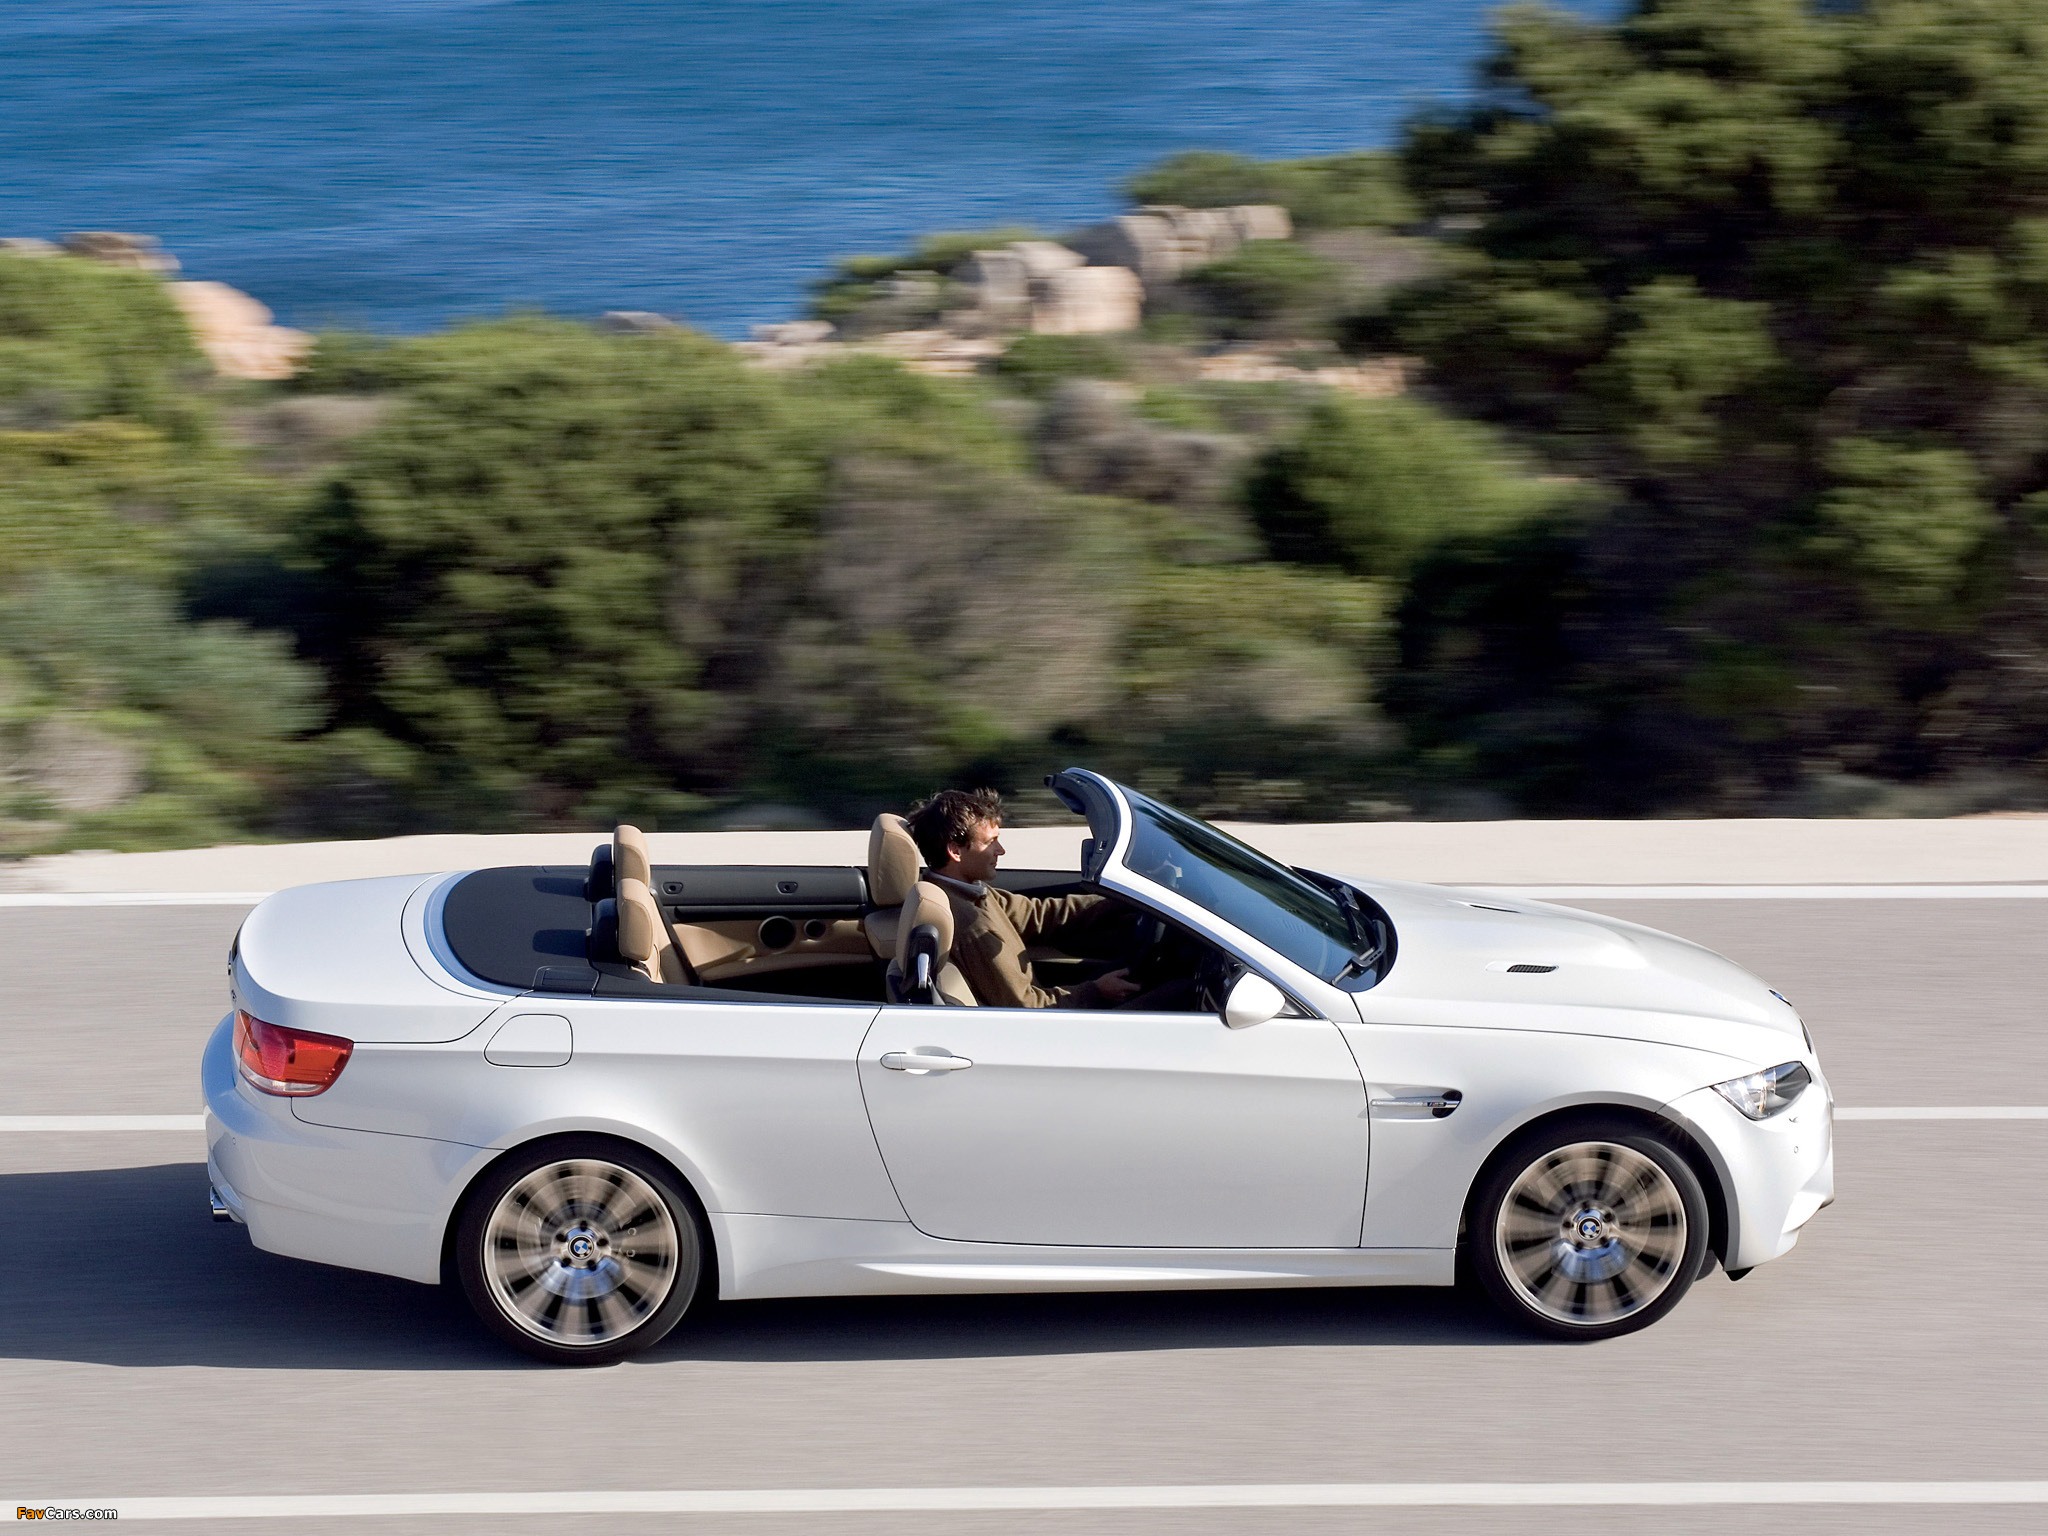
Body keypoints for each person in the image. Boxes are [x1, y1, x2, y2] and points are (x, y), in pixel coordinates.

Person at [906, 788, 1141, 1009]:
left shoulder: (965, 892)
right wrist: (1096, 991)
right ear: (955, 851)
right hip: (1048, 1026)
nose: (1000, 850)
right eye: (990, 842)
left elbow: (1038, 914)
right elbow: (1024, 1007)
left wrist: (1123, 900)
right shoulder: (972, 926)